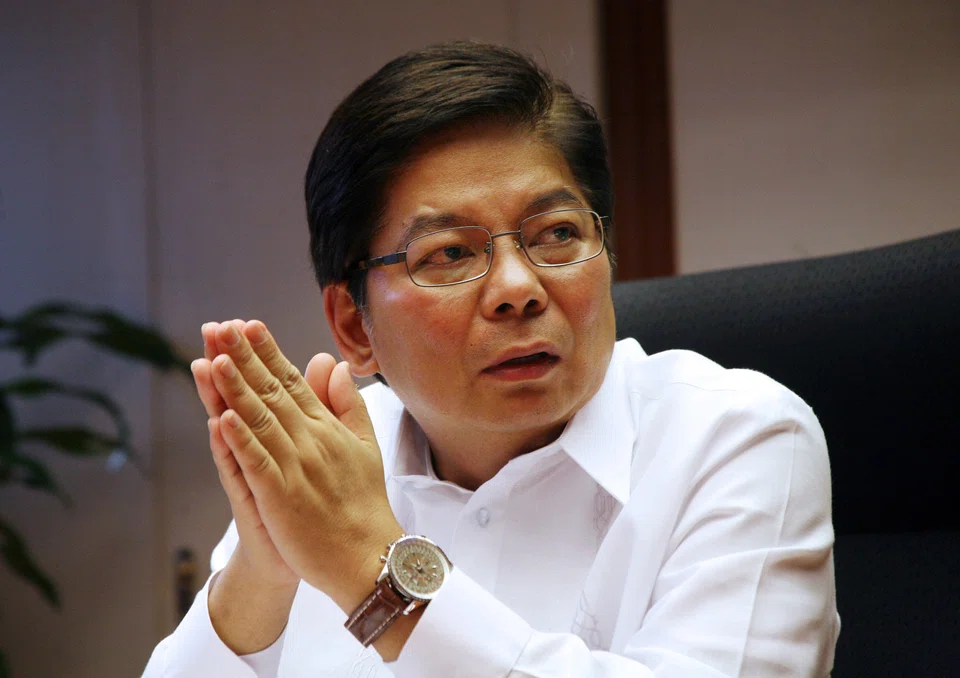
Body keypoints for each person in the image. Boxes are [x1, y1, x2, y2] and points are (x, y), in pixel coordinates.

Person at [142, 42, 839, 677]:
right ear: (355, 326)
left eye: (557, 233)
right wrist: (262, 571)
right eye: (450, 253)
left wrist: (371, 569)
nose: (517, 288)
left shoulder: (737, 439)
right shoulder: (329, 462)